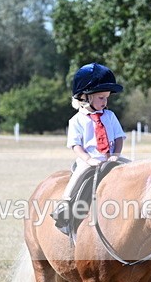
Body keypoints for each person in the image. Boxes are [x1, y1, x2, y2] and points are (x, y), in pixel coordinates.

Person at [53, 63, 128, 229]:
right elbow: (75, 146)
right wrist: (88, 159)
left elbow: (119, 137)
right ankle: (65, 205)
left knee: (132, 168)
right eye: (101, 98)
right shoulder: (76, 120)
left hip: (111, 157)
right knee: (78, 175)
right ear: (85, 97)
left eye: (107, 97)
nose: (105, 101)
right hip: (89, 160)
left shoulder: (110, 116)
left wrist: (116, 154)